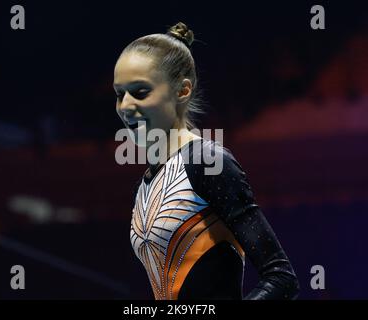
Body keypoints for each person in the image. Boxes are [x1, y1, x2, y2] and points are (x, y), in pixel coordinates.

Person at [113, 22, 300, 300]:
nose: (126, 106)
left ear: (182, 91)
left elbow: (282, 278)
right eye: (120, 94)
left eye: (140, 92)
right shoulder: (143, 186)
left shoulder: (208, 162)